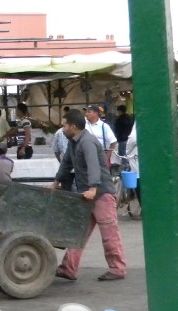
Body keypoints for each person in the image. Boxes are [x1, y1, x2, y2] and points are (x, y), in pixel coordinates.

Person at [51, 109, 126, 282]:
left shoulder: (87, 142)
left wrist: (93, 189)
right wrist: (55, 183)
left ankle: (118, 269)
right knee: (79, 233)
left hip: (101, 194)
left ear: (73, 127)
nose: (62, 129)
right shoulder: (73, 143)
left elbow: (94, 166)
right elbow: (66, 164)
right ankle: (68, 268)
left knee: (109, 233)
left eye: (64, 125)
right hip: (87, 194)